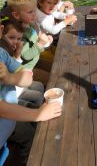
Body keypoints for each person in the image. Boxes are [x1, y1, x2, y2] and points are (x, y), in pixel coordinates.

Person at [0, 20, 62, 165]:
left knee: (33, 132)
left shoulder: (2, 54)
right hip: (7, 121)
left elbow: (27, 76)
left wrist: (10, 77)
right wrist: (38, 114)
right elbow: (2, 110)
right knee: (31, 138)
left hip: (10, 121)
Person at [7, 0, 52, 85]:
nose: (34, 14)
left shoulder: (30, 26)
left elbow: (34, 46)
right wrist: (40, 43)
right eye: (30, 12)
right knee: (52, 79)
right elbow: (25, 55)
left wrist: (45, 42)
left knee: (55, 67)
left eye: (35, 10)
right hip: (26, 70)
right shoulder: (19, 33)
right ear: (16, 15)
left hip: (34, 61)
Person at [0, 17, 44, 107]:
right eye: (12, 37)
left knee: (39, 85)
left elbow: (15, 65)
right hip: (12, 92)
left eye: (19, 38)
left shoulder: (10, 48)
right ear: (1, 32)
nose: (16, 42)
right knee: (38, 96)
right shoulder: (3, 49)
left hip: (16, 84)